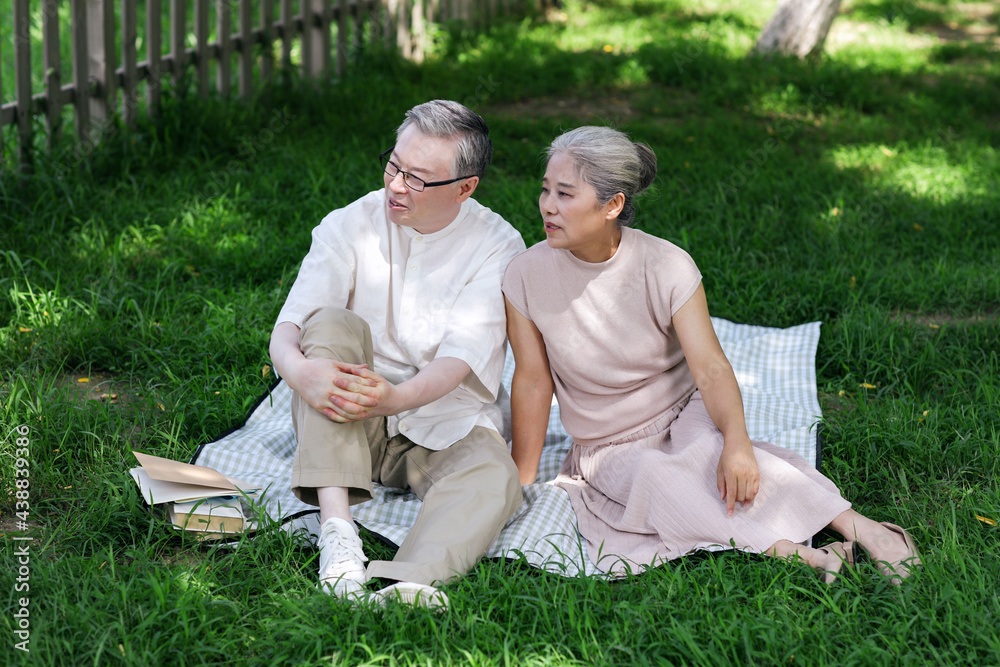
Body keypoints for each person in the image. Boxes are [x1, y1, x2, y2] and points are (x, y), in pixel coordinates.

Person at [501, 126, 921, 584]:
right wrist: (522, 482)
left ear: (613, 205)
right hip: (609, 444)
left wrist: (737, 442)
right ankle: (811, 557)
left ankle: (870, 532)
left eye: (565, 193)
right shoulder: (524, 275)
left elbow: (711, 367)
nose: (547, 205)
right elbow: (532, 381)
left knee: (725, 463)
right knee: (661, 481)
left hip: (684, 410)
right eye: (545, 189)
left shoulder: (666, 265)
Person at [269, 100, 525, 607]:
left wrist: (397, 397)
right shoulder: (350, 223)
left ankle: (409, 583)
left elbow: (458, 360)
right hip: (345, 413)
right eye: (393, 165)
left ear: (465, 187)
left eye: (417, 178)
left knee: (497, 478)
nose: (396, 185)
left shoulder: (498, 245)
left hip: (440, 421)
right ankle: (338, 537)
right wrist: (301, 373)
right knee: (330, 323)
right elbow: (288, 330)